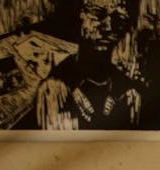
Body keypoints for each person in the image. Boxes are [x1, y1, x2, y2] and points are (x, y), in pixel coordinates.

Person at [34, 0, 143, 130]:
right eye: (97, 14)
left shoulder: (129, 93)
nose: (108, 27)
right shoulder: (54, 90)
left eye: (118, 19)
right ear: (80, 16)